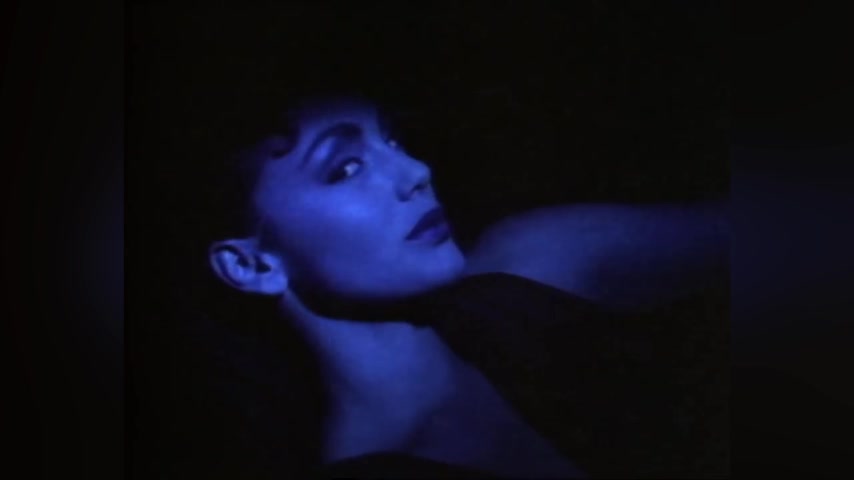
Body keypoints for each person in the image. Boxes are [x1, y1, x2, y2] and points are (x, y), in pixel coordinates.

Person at [172, 95, 727, 478]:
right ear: (251, 265)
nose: (416, 171)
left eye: (393, 140)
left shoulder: (542, 260)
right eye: (345, 168)